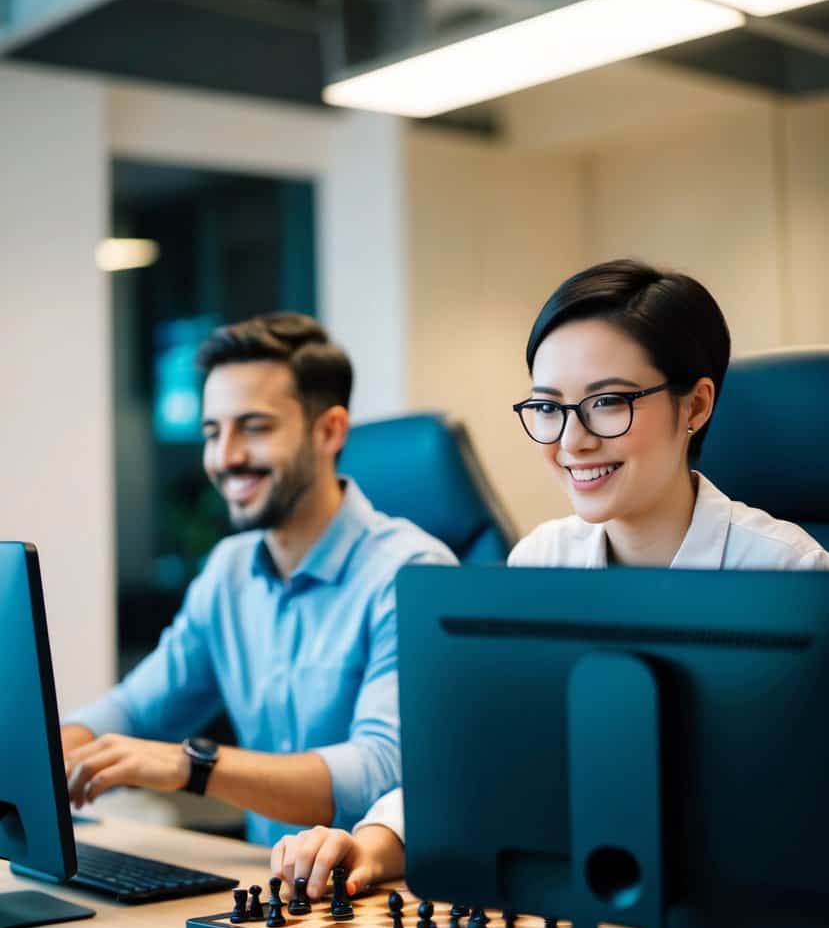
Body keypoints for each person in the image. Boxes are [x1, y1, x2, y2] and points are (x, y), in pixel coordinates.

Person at [274, 258, 828, 894]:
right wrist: (371, 843)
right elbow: (482, 760)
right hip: (580, 911)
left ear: (696, 405)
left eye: (607, 403)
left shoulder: (791, 576)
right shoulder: (542, 561)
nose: (573, 440)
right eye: (548, 407)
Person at [61, 313, 454, 846]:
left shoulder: (410, 574)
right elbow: (137, 709)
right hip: (264, 888)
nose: (226, 457)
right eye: (212, 432)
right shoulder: (229, 571)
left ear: (329, 430)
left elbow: (378, 770)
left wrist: (193, 766)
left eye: (255, 427)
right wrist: (53, 752)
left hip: (369, 899)